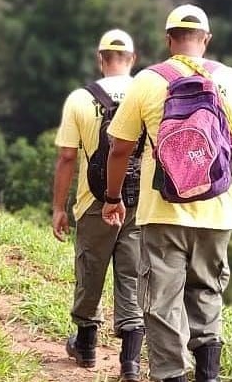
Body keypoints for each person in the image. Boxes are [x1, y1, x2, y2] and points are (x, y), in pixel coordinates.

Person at [102, 4, 232, 382]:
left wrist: (112, 197)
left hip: (162, 210)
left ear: (169, 39)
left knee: (162, 301)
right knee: (207, 291)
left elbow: (120, 149)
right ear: (206, 39)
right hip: (218, 211)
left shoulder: (148, 81)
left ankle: (170, 375)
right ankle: (208, 375)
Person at [52, 29, 145, 381]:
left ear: (100, 58)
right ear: (132, 59)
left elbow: (66, 158)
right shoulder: (148, 94)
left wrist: (59, 208)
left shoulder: (79, 98)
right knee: (132, 276)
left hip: (94, 201)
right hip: (138, 203)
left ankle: (87, 349)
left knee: (90, 271)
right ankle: (130, 363)